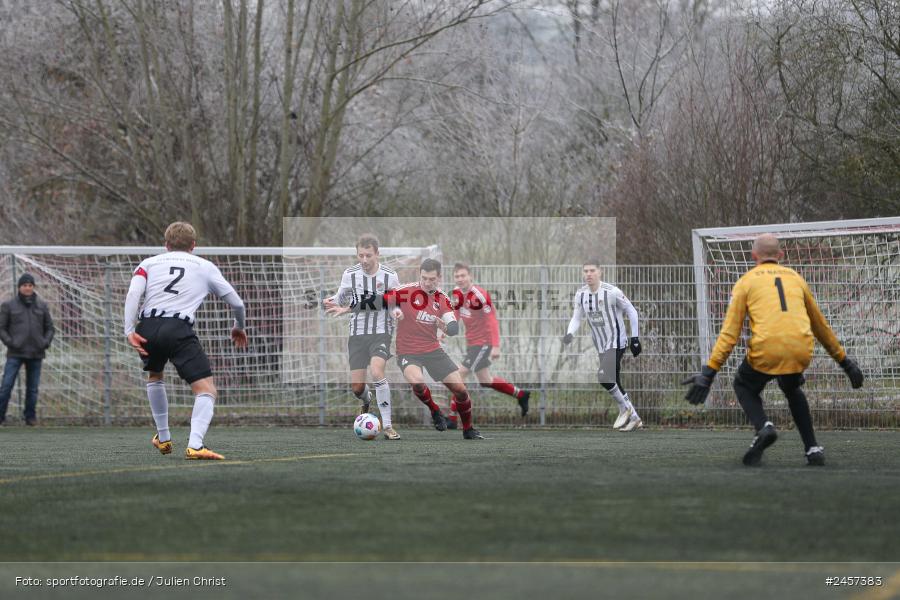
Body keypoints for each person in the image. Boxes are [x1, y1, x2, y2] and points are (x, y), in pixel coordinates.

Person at [682, 234, 864, 466]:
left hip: (767, 349)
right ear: (781, 255)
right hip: (800, 348)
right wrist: (845, 362)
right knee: (791, 387)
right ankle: (813, 449)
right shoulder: (796, 278)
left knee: (743, 384)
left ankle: (764, 427)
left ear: (753, 256)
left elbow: (729, 335)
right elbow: (820, 325)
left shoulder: (746, 282)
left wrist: (709, 373)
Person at [124, 222, 247, 460]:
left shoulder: (148, 263)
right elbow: (238, 303)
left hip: (147, 326)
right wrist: (238, 327)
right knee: (206, 390)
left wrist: (129, 330)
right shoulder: (204, 266)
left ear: (166, 245)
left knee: (155, 375)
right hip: (178, 327)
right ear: (194, 245)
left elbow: (133, 294)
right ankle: (195, 445)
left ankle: (164, 437)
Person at [386, 259, 483, 440]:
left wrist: (444, 326)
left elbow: (453, 328)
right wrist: (394, 310)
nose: (427, 283)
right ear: (419, 275)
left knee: (461, 391)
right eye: (424, 278)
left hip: (433, 350)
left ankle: (468, 429)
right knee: (418, 382)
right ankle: (435, 411)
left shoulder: (442, 298)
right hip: (408, 352)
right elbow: (384, 300)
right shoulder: (406, 291)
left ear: (439, 277)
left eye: (432, 279)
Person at [323, 234, 401, 440]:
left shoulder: (390, 276)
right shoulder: (350, 274)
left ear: (377, 253)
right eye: (361, 255)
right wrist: (331, 301)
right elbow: (340, 296)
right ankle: (366, 401)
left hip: (381, 332)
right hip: (357, 334)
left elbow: (393, 303)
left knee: (377, 372)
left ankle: (388, 426)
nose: (364, 260)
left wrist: (396, 311)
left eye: (368, 255)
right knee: (357, 388)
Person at [444, 263, 529, 429]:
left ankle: (452, 418)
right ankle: (521, 394)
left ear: (470, 277)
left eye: (463, 275)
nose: (460, 279)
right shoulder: (456, 294)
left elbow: (492, 320)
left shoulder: (480, 295)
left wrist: (496, 346)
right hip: (472, 344)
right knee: (485, 380)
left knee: (458, 376)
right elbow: (456, 315)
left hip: (483, 344)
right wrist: (445, 331)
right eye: (457, 276)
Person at [563, 259, 642, 431]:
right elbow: (577, 317)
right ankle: (635, 418)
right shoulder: (581, 294)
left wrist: (635, 338)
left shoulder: (612, 292)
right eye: (586, 271)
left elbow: (631, 310)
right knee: (614, 381)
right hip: (601, 344)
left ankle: (625, 409)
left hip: (617, 341)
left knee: (603, 376)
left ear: (600, 272)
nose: (589, 274)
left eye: (592, 270)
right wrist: (570, 333)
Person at [0, 273, 55, 426]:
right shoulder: (8, 306)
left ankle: (30, 418)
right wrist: (10, 342)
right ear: (19, 287)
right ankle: (0, 416)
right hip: (15, 353)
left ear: (33, 287)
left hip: (36, 353)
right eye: (24, 285)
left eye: (30, 285)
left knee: (32, 389)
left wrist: (44, 342)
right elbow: (2, 328)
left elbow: (50, 328)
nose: (27, 288)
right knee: (6, 386)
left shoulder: (42, 306)